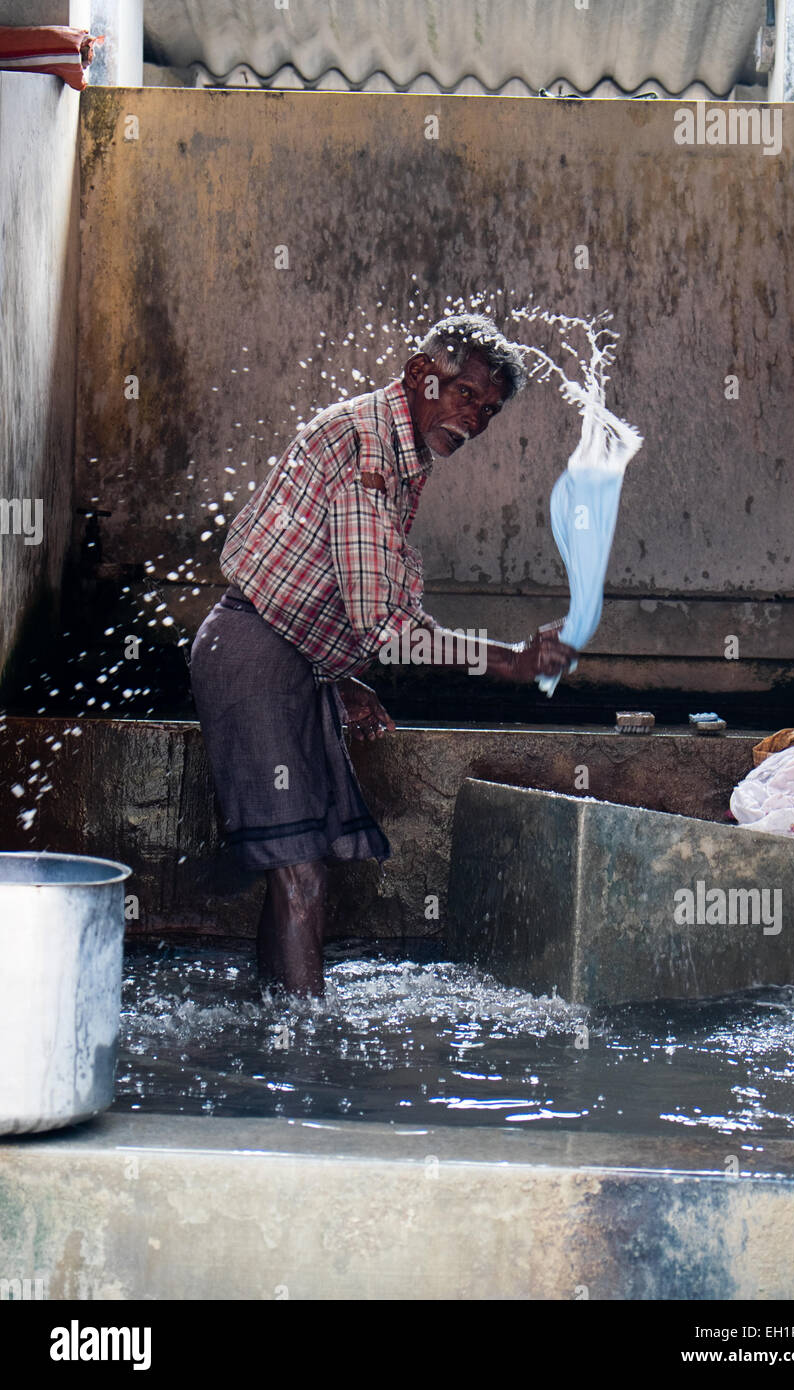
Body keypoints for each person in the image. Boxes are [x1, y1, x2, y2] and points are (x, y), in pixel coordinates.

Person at [189, 313, 578, 996]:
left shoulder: (403, 450)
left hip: (289, 656)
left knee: (302, 861)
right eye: (466, 397)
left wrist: (338, 676)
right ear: (422, 376)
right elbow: (388, 630)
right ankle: (309, 1056)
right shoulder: (369, 451)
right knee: (301, 870)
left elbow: (345, 592)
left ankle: (275, 1023)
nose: (475, 421)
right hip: (254, 655)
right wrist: (511, 660)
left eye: (487, 411)